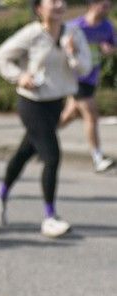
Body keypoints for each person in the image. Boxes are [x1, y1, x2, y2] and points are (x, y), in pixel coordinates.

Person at [0, 0, 92, 238]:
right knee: (52, 156)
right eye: (51, 1)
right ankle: (50, 217)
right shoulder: (31, 34)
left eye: (61, 1)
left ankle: (0, 193)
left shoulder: (74, 33)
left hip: (56, 103)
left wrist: (72, 53)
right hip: (32, 104)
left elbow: (84, 68)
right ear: (39, 8)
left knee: (25, 151)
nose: (59, 5)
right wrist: (18, 76)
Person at [59, 0, 115, 172]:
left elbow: (114, 46)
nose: (107, 9)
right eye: (104, 5)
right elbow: (57, 45)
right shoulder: (75, 26)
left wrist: (110, 49)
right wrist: (69, 48)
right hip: (75, 78)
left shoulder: (106, 27)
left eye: (109, 5)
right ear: (92, 4)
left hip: (92, 78)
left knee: (70, 114)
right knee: (91, 116)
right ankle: (97, 157)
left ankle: (37, 139)